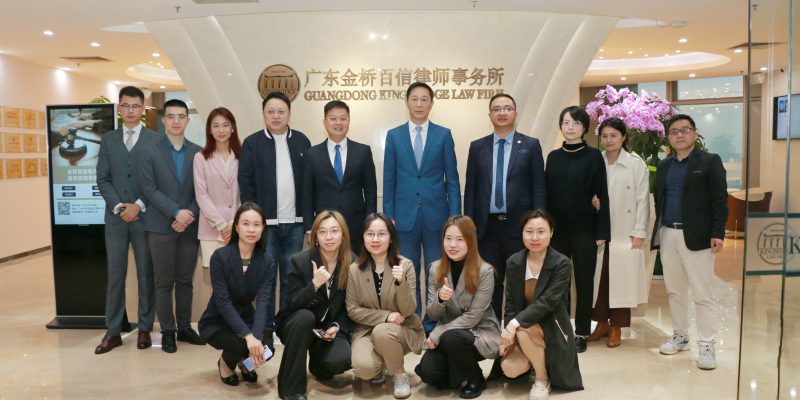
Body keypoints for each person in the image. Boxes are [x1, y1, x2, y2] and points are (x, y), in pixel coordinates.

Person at [383, 82, 460, 333]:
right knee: (408, 272)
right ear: (406, 102)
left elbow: (453, 179)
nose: (419, 104)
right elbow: (389, 179)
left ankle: (433, 322)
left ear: (431, 103)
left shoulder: (443, 135)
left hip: (438, 217)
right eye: (414, 99)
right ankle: (413, 321)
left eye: (424, 99)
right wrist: (389, 216)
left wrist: (455, 219)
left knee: (437, 273)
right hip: (403, 217)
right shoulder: (394, 136)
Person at [652, 114, 727, 370]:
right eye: (674, 131)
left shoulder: (709, 161)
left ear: (695, 133)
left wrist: (718, 232)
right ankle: (680, 336)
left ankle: (707, 345)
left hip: (697, 236)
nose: (680, 135)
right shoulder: (664, 165)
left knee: (703, 293)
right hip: (668, 234)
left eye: (685, 130)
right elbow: (659, 200)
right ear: (668, 138)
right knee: (675, 291)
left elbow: (719, 201)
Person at [463, 93, 546, 324]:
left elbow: (539, 187)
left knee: (520, 284)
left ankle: (519, 329)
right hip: (486, 229)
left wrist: (538, 225)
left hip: (520, 228)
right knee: (489, 284)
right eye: (497, 109)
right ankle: (491, 330)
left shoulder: (530, 145)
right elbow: (471, 190)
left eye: (507, 108)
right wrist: (468, 227)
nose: (502, 113)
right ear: (489, 115)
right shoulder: (477, 147)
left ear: (515, 114)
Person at [239, 91, 311, 341]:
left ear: (289, 114)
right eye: (271, 111)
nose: (276, 116)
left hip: (296, 224)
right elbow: (246, 184)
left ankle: (287, 326)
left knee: (291, 279)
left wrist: (308, 222)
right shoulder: (252, 143)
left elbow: (309, 185)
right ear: (264, 114)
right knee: (266, 280)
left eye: (281, 111)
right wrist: (252, 222)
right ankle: (266, 328)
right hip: (265, 226)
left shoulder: (301, 141)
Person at [94, 86, 160, 354]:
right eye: (126, 105)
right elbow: (102, 178)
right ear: (119, 108)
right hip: (115, 218)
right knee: (115, 275)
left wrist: (138, 205)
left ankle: (144, 328)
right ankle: (112, 332)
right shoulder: (108, 140)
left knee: (146, 273)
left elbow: (157, 179)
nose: (131, 111)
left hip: (145, 217)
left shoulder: (155, 140)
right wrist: (119, 206)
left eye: (135, 106)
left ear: (142, 109)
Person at [138, 98, 204, 353]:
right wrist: (176, 212)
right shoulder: (150, 150)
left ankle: (185, 327)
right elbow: (148, 188)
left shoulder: (198, 152)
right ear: (164, 120)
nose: (176, 121)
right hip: (160, 226)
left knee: (185, 280)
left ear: (188, 120)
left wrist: (189, 214)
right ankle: (168, 330)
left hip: (189, 226)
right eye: (171, 116)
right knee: (163, 282)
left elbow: (202, 189)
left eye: (181, 116)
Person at [544, 105, 610, 352]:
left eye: (576, 123)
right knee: (559, 283)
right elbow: (547, 194)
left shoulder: (594, 156)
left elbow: (602, 194)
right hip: (557, 231)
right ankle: (562, 330)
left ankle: (582, 331)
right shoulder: (553, 157)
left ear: (585, 128)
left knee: (584, 282)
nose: (570, 127)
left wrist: (602, 232)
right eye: (565, 122)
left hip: (586, 230)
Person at [500, 209, 583, 400]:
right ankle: (535, 359)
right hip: (523, 325)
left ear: (551, 232)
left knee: (523, 330)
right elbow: (510, 304)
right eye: (529, 231)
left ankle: (541, 378)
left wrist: (514, 325)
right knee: (510, 369)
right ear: (522, 233)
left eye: (541, 231)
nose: (535, 237)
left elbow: (547, 302)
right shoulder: (514, 262)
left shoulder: (562, 263)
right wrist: (507, 335)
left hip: (551, 325)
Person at [414, 215, 500, 399]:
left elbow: (474, 316)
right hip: (449, 335)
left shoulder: (485, 271)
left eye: (460, 239)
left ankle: (476, 378)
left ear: (471, 241)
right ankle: (459, 373)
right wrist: (440, 298)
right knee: (428, 373)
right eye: (448, 238)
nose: (452, 244)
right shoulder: (435, 268)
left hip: (478, 332)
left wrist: (439, 332)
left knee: (451, 337)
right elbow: (433, 314)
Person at [276, 210, 353, 400]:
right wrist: (314, 285)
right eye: (322, 231)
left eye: (334, 231)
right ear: (315, 236)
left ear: (343, 235)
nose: (329, 237)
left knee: (341, 360)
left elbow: (350, 307)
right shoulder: (300, 261)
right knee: (305, 317)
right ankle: (291, 389)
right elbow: (292, 303)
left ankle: (318, 364)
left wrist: (336, 326)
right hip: (297, 324)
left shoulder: (352, 263)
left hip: (327, 329)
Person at [346, 213, 424, 399]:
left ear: (391, 238)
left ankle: (399, 374)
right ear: (363, 237)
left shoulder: (405, 265)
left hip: (401, 330)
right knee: (363, 369)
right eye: (370, 234)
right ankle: (382, 363)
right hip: (366, 330)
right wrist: (386, 316)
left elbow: (408, 310)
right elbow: (352, 310)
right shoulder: (355, 269)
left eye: (381, 234)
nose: (375, 239)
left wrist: (401, 283)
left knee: (382, 332)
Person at [198, 202, 277, 386]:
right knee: (242, 344)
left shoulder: (266, 261)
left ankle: (245, 364)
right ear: (236, 227)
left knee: (268, 349)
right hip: (218, 320)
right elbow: (222, 301)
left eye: (256, 224)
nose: (251, 229)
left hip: (246, 316)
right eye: (246, 223)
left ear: (263, 228)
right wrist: (248, 337)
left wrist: (256, 337)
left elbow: (263, 301)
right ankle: (225, 364)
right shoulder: (220, 257)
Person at [587, 118, 650, 348]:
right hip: (601, 230)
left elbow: (643, 199)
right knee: (601, 279)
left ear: (623, 137)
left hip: (625, 230)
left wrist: (639, 230)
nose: (608, 140)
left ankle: (616, 327)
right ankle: (601, 323)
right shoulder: (596, 160)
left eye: (613, 135)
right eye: (604, 136)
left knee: (622, 280)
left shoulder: (635, 163)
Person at [302, 100, 377, 252]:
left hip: (356, 224)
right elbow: (307, 195)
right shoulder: (312, 154)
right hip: (324, 226)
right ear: (325, 122)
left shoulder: (363, 151)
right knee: (326, 264)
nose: (338, 123)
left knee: (356, 264)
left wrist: (369, 224)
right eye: (333, 118)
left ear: (349, 121)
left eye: (343, 118)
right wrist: (309, 228)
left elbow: (370, 191)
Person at [193, 107, 241, 268]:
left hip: (239, 227)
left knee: (239, 276)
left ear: (232, 128)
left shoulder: (242, 156)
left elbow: (247, 192)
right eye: (216, 125)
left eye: (225, 125)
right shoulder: (200, 158)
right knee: (216, 278)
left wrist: (234, 222)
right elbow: (201, 194)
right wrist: (221, 224)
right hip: (211, 229)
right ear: (209, 130)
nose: (221, 130)